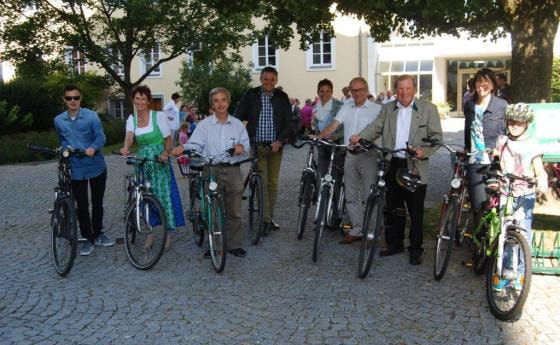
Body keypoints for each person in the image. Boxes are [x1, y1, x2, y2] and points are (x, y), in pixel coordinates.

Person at [351, 74, 443, 265]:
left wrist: (422, 151)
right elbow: (375, 127)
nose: (404, 92)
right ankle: (395, 243)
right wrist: (359, 137)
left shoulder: (428, 109)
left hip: (415, 165)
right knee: (394, 208)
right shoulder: (388, 108)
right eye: (400, 88)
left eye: (408, 88)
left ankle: (416, 248)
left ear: (414, 89)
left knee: (415, 210)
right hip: (393, 162)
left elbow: (436, 138)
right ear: (395, 90)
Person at [173, 87, 250, 257]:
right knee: (212, 210)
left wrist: (240, 147)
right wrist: (183, 147)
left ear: (228, 102)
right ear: (212, 104)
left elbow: (246, 147)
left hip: (232, 171)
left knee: (234, 211)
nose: (220, 103)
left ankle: (234, 244)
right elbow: (195, 144)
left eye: (223, 99)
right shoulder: (204, 125)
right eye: (216, 101)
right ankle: (215, 246)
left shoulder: (237, 125)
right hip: (211, 170)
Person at [316, 77, 381, 244]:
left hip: (368, 155)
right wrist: (319, 136)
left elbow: (378, 131)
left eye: (360, 90)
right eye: (353, 90)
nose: (357, 93)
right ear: (350, 91)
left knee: (369, 194)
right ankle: (357, 229)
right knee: (351, 194)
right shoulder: (346, 106)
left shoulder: (376, 109)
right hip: (350, 155)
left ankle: (372, 232)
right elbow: (334, 124)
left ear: (366, 90)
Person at [120, 85, 185, 250]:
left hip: (158, 160)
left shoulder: (158, 116)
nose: (140, 101)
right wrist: (125, 147)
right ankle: (150, 234)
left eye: (143, 98)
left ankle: (167, 234)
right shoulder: (131, 119)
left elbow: (168, 139)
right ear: (133, 100)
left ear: (148, 101)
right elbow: (129, 136)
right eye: (137, 98)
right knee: (144, 198)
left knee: (163, 196)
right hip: (142, 161)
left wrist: (165, 152)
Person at [492, 103, 548, 291]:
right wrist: (492, 173)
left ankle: (522, 274)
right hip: (506, 193)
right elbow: (495, 161)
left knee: (522, 234)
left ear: (526, 124)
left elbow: (539, 168)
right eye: (511, 122)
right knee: (505, 234)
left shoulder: (533, 144)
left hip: (525, 195)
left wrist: (542, 178)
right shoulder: (502, 140)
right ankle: (506, 273)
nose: (515, 125)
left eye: (520, 122)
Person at [54, 85, 113, 256]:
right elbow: (62, 139)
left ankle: (98, 232)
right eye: (69, 98)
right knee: (81, 205)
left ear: (81, 98)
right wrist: (63, 149)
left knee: (97, 202)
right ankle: (88, 238)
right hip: (76, 167)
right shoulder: (59, 120)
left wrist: (93, 148)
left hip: (96, 165)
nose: (73, 101)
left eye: (76, 97)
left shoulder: (92, 116)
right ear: (64, 100)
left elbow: (101, 136)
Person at [234, 66, 293, 233]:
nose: (269, 82)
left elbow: (289, 121)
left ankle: (269, 217)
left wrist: (280, 140)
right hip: (258, 146)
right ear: (260, 79)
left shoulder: (282, 97)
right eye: (265, 79)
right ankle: (265, 220)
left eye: (272, 80)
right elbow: (238, 116)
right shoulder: (251, 95)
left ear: (276, 81)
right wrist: (241, 138)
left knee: (273, 184)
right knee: (263, 183)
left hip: (276, 147)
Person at [464, 68, 507, 228]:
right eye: (479, 81)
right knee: (478, 206)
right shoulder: (469, 105)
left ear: (493, 85)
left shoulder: (501, 105)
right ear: (474, 84)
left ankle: (494, 243)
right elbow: (468, 130)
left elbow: (509, 132)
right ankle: (479, 247)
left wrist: (500, 150)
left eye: (486, 81)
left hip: (494, 161)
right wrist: (466, 148)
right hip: (475, 159)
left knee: (494, 203)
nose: (482, 84)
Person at [312, 79, 345, 199]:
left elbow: (346, 127)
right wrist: (316, 135)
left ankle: (336, 206)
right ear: (318, 92)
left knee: (335, 177)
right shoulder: (317, 106)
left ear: (332, 92)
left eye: (327, 91)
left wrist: (336, 136)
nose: (324, 94)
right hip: (322, 145)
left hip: (336, 146)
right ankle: (324, 202)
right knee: (322, 174)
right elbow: (317, 126)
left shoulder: (339, 106)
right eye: (321, 91)